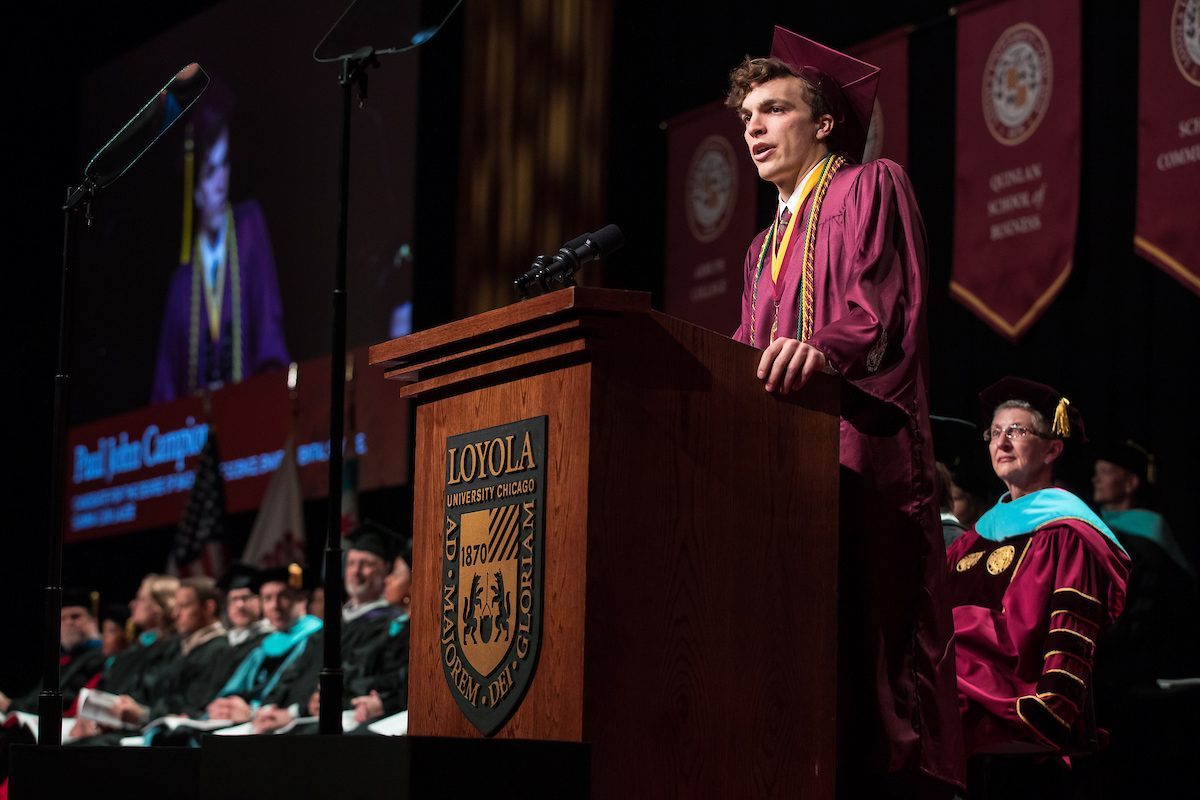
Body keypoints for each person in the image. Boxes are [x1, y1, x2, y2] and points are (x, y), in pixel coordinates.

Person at [727, 27, 962, 795]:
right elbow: (743, 353)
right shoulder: (760, 249)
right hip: (785, 470)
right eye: (747, 117)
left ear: (824, 122)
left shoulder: (869, 186)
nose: (753, 128)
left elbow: (880, 307)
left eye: (774, 110)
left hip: (862, 448)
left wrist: (820, 350)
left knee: (873, 637)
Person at [946, 378, 1129, 766]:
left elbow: (1070, 633)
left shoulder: (1067, 533)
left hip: (1014, 707)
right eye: (995, 432)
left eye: (1016, 431)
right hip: (953, 693)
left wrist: (1051, 711)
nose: (1002, 443)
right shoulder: (972, 538)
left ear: (1052, 449)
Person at [150, 83, 287, 405]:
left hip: (248, 413)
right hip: (197, 428)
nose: (221, 182)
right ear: (195, 191)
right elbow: (166, 384)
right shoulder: (181, 285)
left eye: (225, 164)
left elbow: (268, 327)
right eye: (211, 171)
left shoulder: (249, 227)